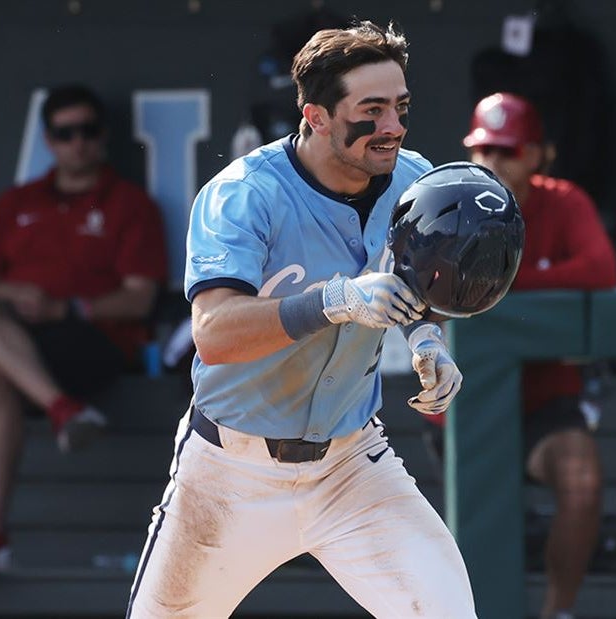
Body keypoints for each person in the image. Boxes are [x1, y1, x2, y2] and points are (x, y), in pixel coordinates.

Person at [126, 21, 476, 618]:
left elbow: (417, 286)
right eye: (372, 109)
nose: (392, 126)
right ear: (315, 116)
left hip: (352, 467)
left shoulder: (416, 181)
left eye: (400, 106)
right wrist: (330, 302)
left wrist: (424, 338)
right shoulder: (243, 192)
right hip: (229, 471)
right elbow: (212, 334)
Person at [0, 84, 168, 575]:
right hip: (23, 342)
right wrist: (17, 296)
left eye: (88, 131)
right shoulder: (16, 203)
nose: (78, 143)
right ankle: (58, 414)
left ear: (103, 135)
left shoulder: (129, 204)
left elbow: (138, 297)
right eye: (65, 133)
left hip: (94, 343)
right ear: (48, 139)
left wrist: (65, 309)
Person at [460, 92, 616, 619]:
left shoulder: (564, 201)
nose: (495, 164)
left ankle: (558, 613)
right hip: (462, 399)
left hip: (545, 395)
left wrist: (506, 283)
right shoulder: (452, 201)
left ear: (536, 154)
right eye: (485, 151)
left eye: (508, 151)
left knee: (582, 480)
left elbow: (600, 271)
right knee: (472, 522)